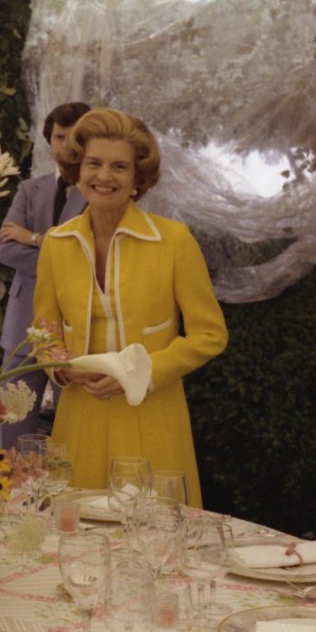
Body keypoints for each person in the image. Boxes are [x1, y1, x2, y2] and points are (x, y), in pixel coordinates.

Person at [32, 108, 227, 507]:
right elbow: (43, 329)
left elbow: (211, 335)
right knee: (76, 542)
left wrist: (141, 373)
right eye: (94, 164)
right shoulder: (56, 242)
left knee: (152, 542)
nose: (104, 177)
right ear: (77, 168)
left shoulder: (173, 241)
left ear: (139, 177)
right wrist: (58, 364)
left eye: (119, 166)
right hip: (78, 416)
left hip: (151, 413)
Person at [0, 102, 91, 449]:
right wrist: (62, 257)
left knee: (73, 424)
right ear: (49, 141)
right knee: (12, 419)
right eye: (59, 136)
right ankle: (6, 491)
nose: (67, 145)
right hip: (24, 321)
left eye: (75, 136)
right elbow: (4, 248)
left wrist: (34, 238)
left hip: (75, 326)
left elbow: (90, 254)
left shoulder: (100, 193)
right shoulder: (28, 190)